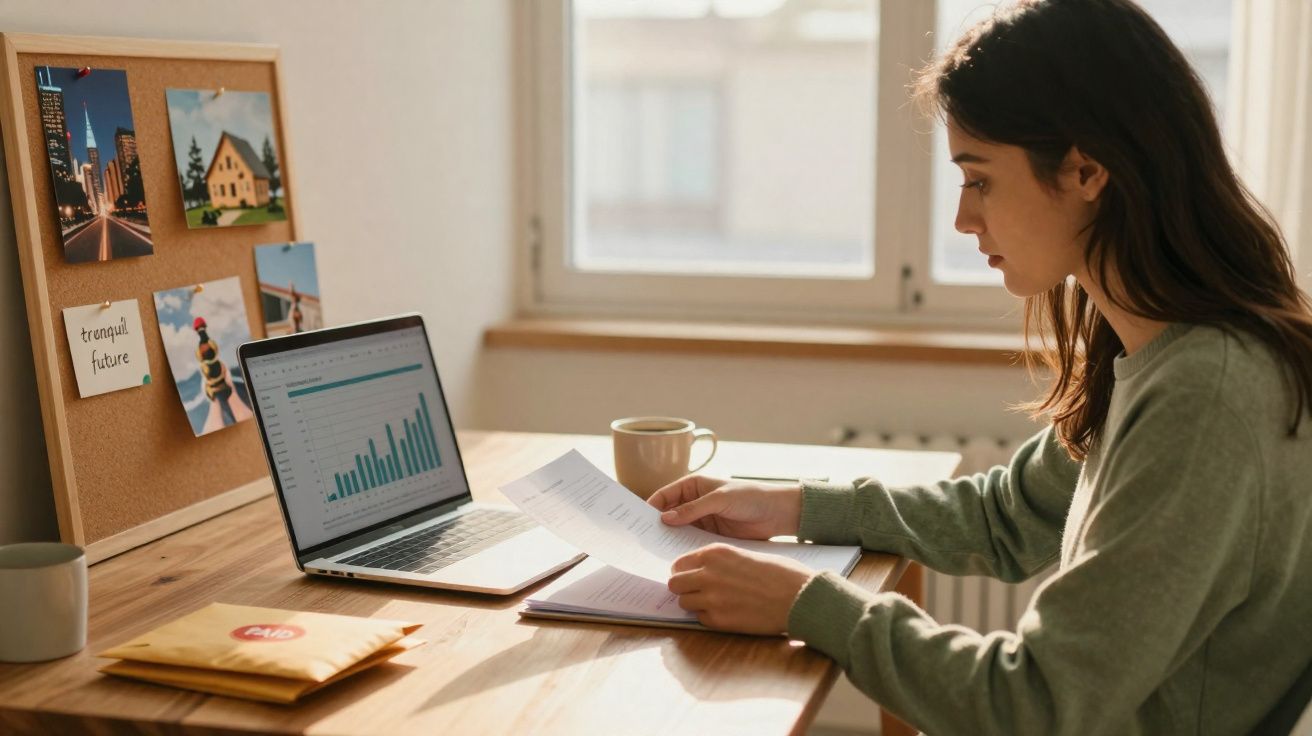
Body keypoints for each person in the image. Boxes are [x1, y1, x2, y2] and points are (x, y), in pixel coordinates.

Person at [647, 0, 1312, 733]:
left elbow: (1036, 704)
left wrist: (806, 605)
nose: (965, 218)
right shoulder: (1154, 349)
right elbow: (1008, 516)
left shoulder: (1206, 396)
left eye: (981, 179)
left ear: (1087, 168)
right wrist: (792, 507)